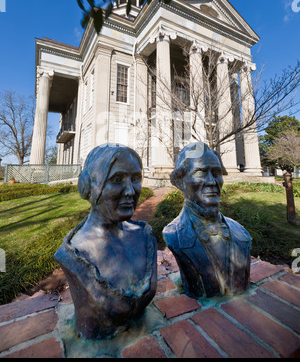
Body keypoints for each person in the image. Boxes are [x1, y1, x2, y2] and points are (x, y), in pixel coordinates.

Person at [55, 144, 157, 340]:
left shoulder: (145, 236)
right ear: (89, 186)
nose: (130, 191)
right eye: (117, 179)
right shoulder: (74, 253)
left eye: (135, 179)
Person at [163, 141, 251, 299]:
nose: (211, 181)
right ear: (180, 181)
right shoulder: (174, 234)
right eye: (201, 172)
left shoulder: (241, 232)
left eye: (216, 172)